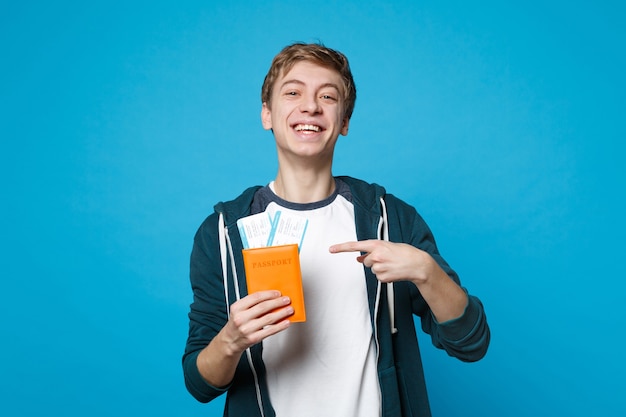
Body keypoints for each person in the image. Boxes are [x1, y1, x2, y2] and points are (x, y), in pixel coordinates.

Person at [182, 42, 490, 417]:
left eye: (327, 96)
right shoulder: (223, 233)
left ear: (343, 122)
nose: (310, 106)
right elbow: (199, 384)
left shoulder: (389, 219)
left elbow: (471, 343)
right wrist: (231, 340)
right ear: (267, 113)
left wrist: (427, 272)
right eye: (293, 92)